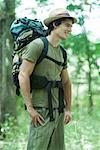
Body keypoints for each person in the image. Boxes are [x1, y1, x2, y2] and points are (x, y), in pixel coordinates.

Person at [18, 8, 76, 150]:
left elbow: (66, 82)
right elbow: (23, 74)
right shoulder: (38, 45)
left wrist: (68, 109)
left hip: (59, 111)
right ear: (55, 24)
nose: (70, 29)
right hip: (41, 111)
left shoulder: (62, 52)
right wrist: (30, 108)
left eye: (71, 26)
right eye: (67, 25)